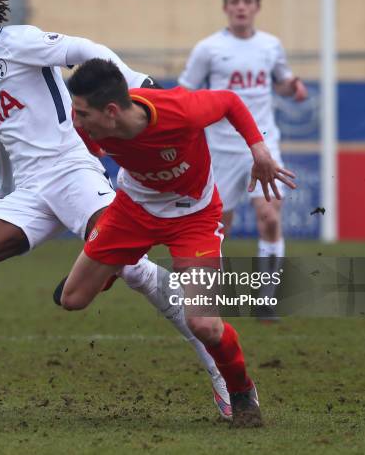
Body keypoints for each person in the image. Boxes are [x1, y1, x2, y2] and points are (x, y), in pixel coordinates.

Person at [0, 0, 233, 420]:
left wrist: (137, 82)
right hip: (27, 188)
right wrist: (2, 190)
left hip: (72, 171)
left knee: (132, 268)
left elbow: (87, 51)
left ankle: (220, 372)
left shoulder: (19, 41)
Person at [59, 58, 297, 427]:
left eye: (82, 112)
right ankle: (117, 266)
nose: (75, 120)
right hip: (132, 211)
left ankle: (241, 391)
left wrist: (259, 150)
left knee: (204, 324)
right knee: (71, 300)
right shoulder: (89, 127)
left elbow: (230, 101)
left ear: (110, 112)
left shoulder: (179, 110)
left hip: (193, 218)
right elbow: (85, 156)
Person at [178, 0, 308, 320]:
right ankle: (209, 296)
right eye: (234, 0)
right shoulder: (208, 49)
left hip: (263, 145)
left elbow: (280, 81)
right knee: (220, 224)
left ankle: (267, 300)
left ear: (257, 7)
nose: (240, 6)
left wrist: (292, 86)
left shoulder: (271, 46)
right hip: (220, 148)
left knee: (269, 216)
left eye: (247, 0)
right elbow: (186, 93)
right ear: (225, 7)